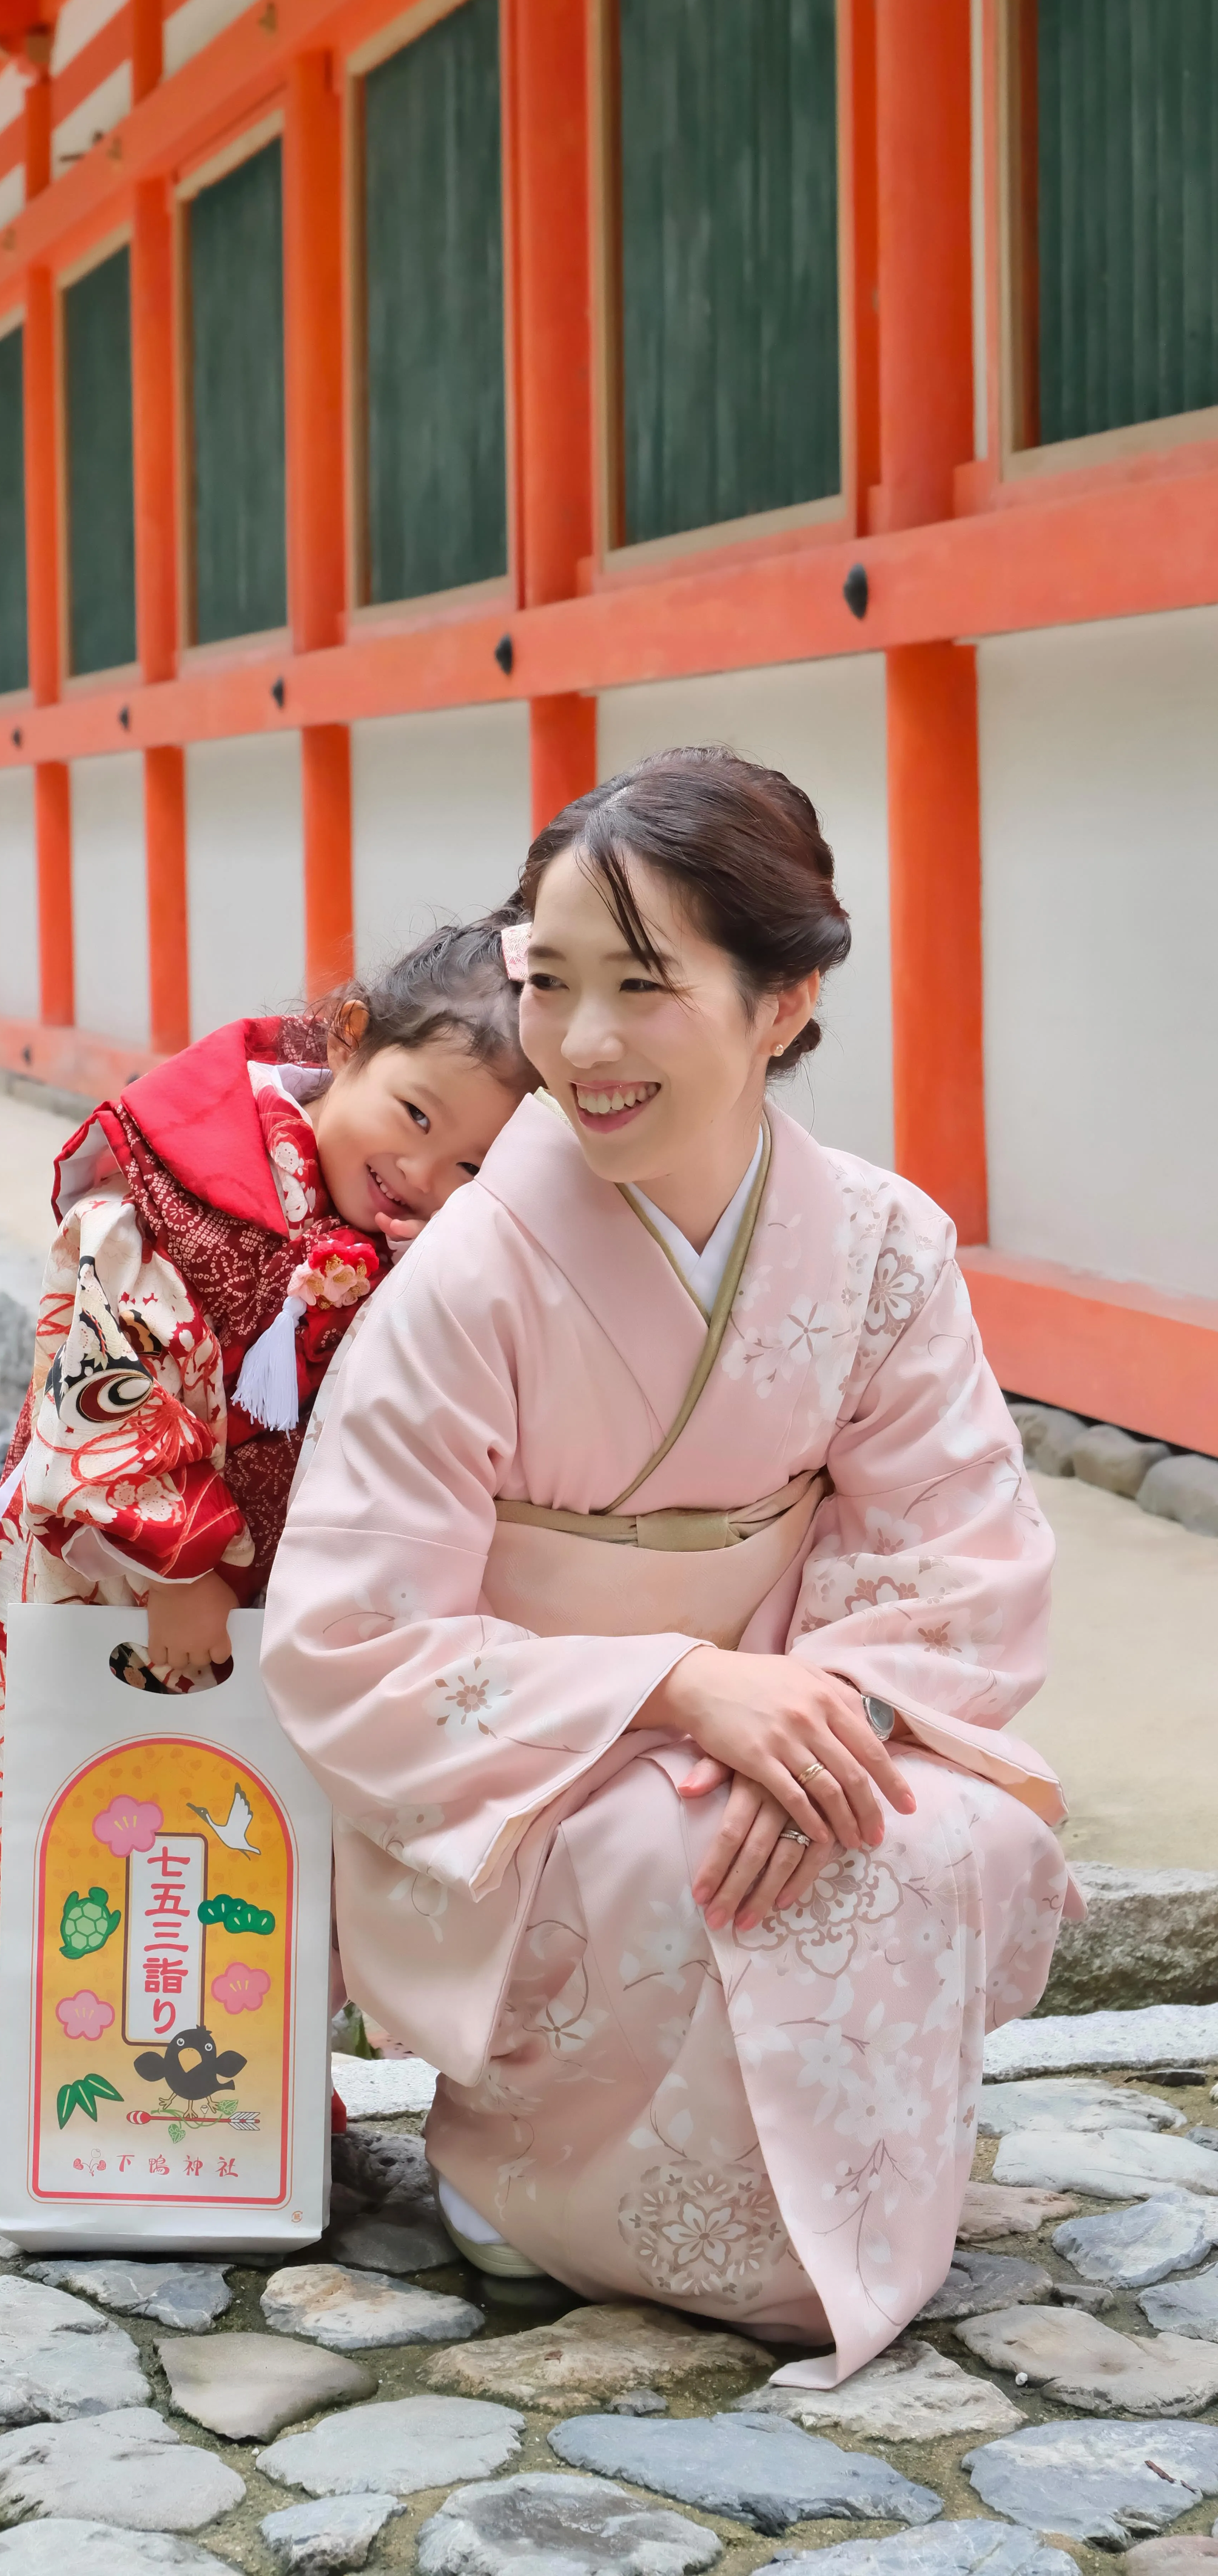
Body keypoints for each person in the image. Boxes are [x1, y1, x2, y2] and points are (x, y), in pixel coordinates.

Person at [262, 747, 1078, 2384]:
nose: (578, 1044)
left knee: (936, 1836)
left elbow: (958, 1553)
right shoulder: (472, 1278)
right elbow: (352, 1635)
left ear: (784, 1001)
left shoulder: (882, 1248)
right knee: (687, 1866)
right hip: (539, 1776)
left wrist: (835, 1715)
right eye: (548, 984)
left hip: (790, 1719)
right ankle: (531, 2188)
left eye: (641, 987)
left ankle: (813, 2212)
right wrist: (682, 1688)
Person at [0, 917, 537, 1953]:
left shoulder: (435, 1246)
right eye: (413, 1113)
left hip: (312, 1593)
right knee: (118, 1808)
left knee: (272, 1842)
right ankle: (92, 2028)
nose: (418, 1168)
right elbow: (109, 1371)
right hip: (147, 1579)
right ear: (349, 1038)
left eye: (468, 1164)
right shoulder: (174, 1185)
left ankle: (276, 2039)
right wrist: (178, 1562)